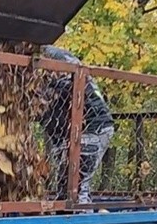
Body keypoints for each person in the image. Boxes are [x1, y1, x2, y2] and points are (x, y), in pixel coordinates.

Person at [41, 46, 115, 204]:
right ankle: (70, 218)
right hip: (69, 133)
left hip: (91, 129)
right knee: (66, 188)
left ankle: (78, 221)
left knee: (75, 187)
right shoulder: (45, 79)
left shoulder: (59, 60)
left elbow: (71, 78)